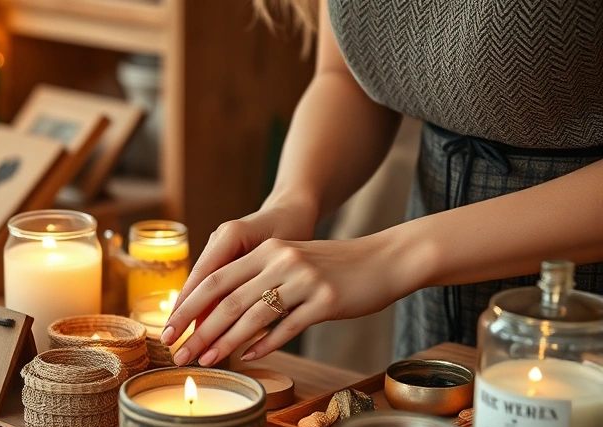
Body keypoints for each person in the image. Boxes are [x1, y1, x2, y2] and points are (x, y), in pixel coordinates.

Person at [161, 0, 603, 366]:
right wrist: (292, 200)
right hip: (432, 275)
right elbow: (347, 76)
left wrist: (395, 255)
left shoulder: (407, 257)